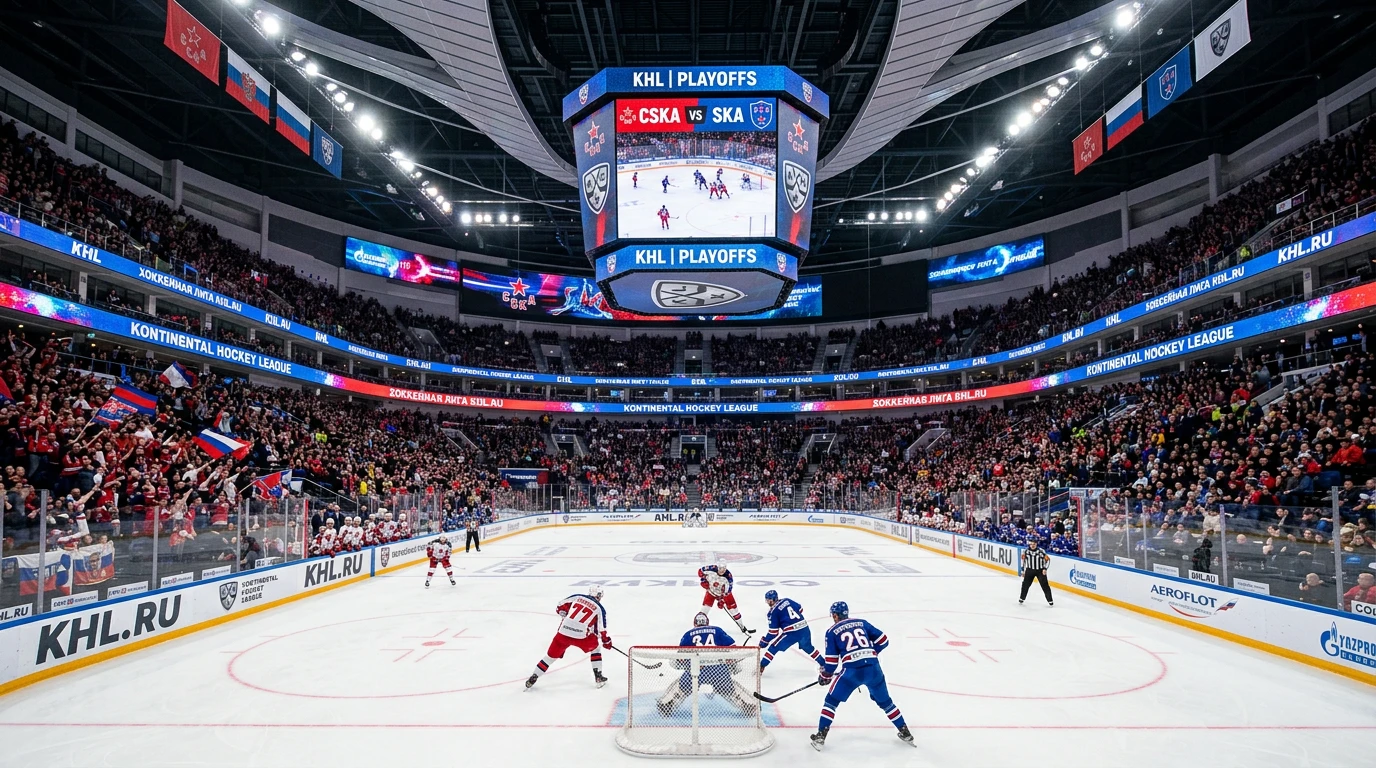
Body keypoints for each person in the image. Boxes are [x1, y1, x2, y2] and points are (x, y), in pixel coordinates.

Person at [811, 601, 914, 751]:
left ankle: (821, 736)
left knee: (831, 701)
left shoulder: (832, 631)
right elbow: (883, 640)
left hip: (851, 672)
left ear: (834, 615)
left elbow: (832, 663)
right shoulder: (861, 622)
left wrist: (825, 675)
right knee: (886, 703)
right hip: (874, 669)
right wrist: (870, 653)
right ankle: (905, 732)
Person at [656, 612, 757, 717]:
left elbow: (680, 659)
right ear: (707, 623)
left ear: (695, 623)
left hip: (696, 670)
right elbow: (733, 649)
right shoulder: (717, 630)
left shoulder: (688, 634)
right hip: (719, 670)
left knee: (681, 688)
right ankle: (748, 704)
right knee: (730, 689)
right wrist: (732, 664)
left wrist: (685, 665)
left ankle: (667, 705)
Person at [526, 584, 610, 690]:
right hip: (581, 637)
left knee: (550, 657)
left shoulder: (577, 597)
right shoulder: (599, 608)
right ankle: (598, 677)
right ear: (599, 595)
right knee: (596, 648)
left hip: (563, 633)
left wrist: (564, 614)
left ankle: (534, 676)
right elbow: (601, 630)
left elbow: (560, 606)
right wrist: (606, 641)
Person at [759, 590, 823, 672]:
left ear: (772, 599)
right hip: (804, 628)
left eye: (768, 600)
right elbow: (800, 609)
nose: (767, 602)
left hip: (791, 633)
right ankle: (823, 664)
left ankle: (761, 666)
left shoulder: (772, 613)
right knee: (808, 648)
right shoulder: (787, 600)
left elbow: (773, 632)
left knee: (773, 648)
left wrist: (765, 641)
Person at [699, 560, 752, 633]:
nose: (722, 570)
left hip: (724, 593)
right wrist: (703, 580)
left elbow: (728, 591)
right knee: (704, 610)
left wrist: (722, 600)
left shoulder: (728, 577)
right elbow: (700, 571)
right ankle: (699, 625)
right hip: (711, 591)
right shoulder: (711, 569)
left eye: (724, 568)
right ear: (717, 567)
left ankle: (742, 626)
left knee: (734, 610)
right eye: (720, 568)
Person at [1019, 537, 1054, 606]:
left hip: (1040, 571)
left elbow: (1048, 560)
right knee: (1025, 585)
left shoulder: (1041, 551)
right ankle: (1022, 598)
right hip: (1029, 570)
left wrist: (1045, 568)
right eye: (1031, 544)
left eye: (1034, 544)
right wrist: (1023, 570)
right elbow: (1023, 561)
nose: (1032, 545)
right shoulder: (1025, 551)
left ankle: (1050, 600)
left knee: (1045, 585)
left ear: (1036, 544)